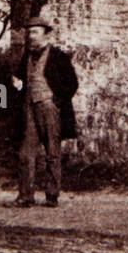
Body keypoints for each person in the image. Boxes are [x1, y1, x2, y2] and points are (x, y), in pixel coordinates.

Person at [10, 16, 78, 207]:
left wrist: (55, 101)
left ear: (46, 34)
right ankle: (25, 196)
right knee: (25, 153)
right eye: (29, 32)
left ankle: (52, 195)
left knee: (52, 152)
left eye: (35, 32)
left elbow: (72, 84)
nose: (31, 36)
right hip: (29, 107)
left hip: (49, 108)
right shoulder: (27, 56)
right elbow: (21, 78)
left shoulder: (58, 56)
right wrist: (17, 83)